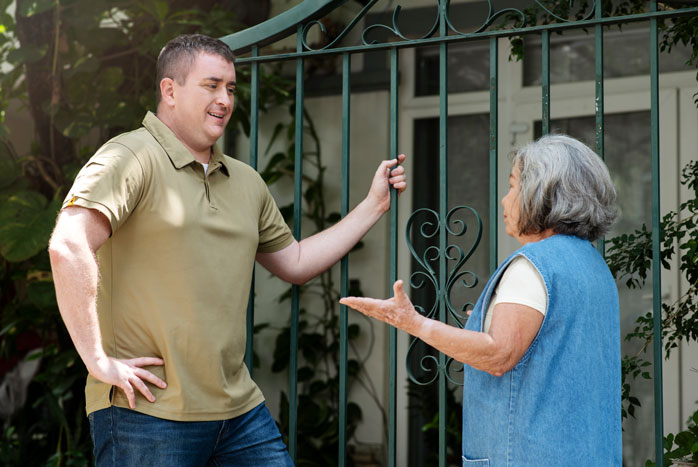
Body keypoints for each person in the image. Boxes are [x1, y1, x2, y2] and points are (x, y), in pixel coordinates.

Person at [48, 34, 406, 466]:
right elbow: (69, 246)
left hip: (239, 414)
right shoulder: (130, 157)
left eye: (231, 88)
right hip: (147, 412)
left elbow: (294, 262)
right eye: (211, 85)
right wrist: (98, 361)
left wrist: (373, 206)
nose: (224, 99)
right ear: (169, 91)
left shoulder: (246, 181)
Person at [341, 134, 621, 466]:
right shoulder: (592, 265)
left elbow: (498, 355)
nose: (504, 200)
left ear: (541, 193)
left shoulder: (533, 265)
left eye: (513, 186)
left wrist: (412, 322)